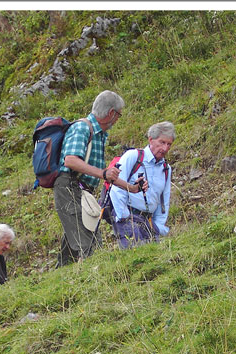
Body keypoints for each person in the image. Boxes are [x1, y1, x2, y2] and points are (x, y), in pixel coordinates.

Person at [54, 90, 146, 266]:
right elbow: (71, 160)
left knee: (73, 247)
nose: (118, 119)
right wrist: (103, 173)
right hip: (68, 187)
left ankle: (60, 282)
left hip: (82, 191)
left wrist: (132, 188)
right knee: (90, 242)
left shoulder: (100, 135)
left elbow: (104, 173)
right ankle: (91, 285)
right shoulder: (82, 128)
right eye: (118, 115)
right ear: (111, 113)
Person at [109, 121, 174, 249]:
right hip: (129, 218)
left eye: (169, 144)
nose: (165, 148)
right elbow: (116, 186)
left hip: (149, 223)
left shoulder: (166, 169)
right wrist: (124, 216)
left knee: (152, 260)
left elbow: (163, 201)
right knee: (134, 257)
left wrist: (159, 227)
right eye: (162, 142)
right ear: (151, 140)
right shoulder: (133, 156)